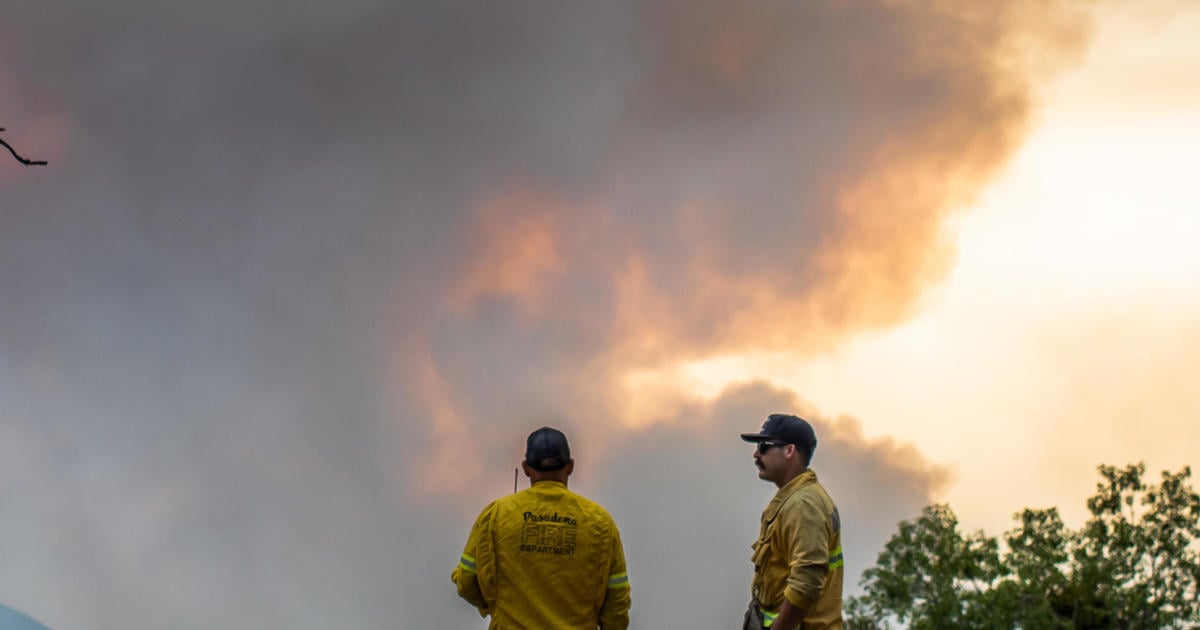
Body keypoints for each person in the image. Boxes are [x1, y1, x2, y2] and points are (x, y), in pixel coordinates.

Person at [452, 426, 631, 629]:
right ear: (570, 466)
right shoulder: (600, 522)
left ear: (527, 468)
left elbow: (467, 582)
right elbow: (616, 602)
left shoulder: (496, 515)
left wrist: (496, 606)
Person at [740, 413, 843, 629]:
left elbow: (806, 583)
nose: (756, 454)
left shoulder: (804, 505)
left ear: (789, 450)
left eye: (765, 446)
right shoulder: (795, 499)